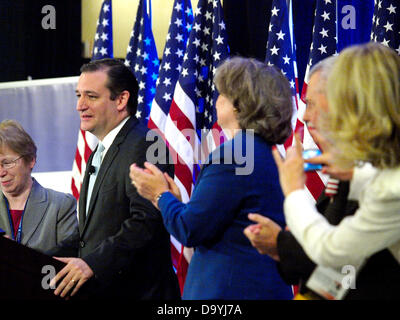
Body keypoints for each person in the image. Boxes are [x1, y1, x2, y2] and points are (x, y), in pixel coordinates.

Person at [130, 57, 294, 299]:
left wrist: (160, 194)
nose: (217, 100)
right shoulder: (267, 151)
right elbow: (224, 221)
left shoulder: (235, 154)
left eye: (223, 94)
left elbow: (190, 229)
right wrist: (174, 202)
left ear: (239, 104)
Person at [244, 54, 400, 299]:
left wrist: (294, 192)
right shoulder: (363, 171)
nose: (305, 117)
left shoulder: (389, 188)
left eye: (315, 103)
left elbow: (332, 253)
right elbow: (340, 276)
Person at [50, 58, 180, 299]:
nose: (80, 105)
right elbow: (93, 233)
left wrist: (93, 264)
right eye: (78, 95)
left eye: (91, 96)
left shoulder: (146, 144)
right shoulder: (99, 152)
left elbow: (146, 222)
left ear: (121, 100)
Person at [0, 120, 77, 253]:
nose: (1, 172)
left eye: (7, 163)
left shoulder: (61, 205)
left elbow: (66, 263)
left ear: (31, 160)